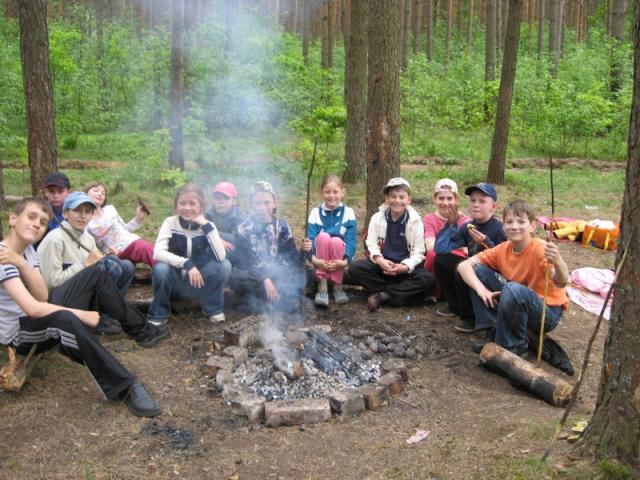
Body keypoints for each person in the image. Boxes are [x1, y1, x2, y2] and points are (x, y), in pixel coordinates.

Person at [0, 198, 162, 416]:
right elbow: (33, 308)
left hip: (35, 314)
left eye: (43, 221)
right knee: (65, 320)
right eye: (31, 217)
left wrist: (21, 263)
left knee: (94, 274)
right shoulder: (2, 256)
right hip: (18, 335)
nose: (37, 224)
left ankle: (142, 330)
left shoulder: (26, 253)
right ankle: (124, 386)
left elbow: (42, 295)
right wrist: (81, 314)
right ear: (12, 219)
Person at [37, 191, 166, 340]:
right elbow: (51, 283)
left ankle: (131, 326)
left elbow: (93, 264)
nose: (83, 216)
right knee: (101, 275)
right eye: (77, 210)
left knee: (124, 266)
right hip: (56, 304)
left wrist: (106, 256)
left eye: (87, 212)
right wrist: (84, 264)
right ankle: (140, 329)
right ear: (65, 213)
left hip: (80, 294)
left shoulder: (86, 238)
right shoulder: (55, 239)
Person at [457, 200, 569, 357]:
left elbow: (562, 281)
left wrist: (558, 261)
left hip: (546, 312)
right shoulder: (503, 249)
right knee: (479, 271)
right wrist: (481, 290)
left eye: (521, 221)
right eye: (509, 222)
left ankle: (513, 345)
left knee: (513, 288)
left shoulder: (541, 249)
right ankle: (493, 327)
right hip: (518, 297)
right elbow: (464, 266)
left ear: (532, 226)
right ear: (503, 226)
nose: (514, 226)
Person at [148, 183, 230, 325]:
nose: (187, 208)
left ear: (201, 207)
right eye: (182, 203)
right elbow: (158, 253)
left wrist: (206, 227)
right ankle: (159, 314)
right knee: (161, 268)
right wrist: (186, 264)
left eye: (192, 204)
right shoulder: (170, 223)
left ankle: (213, 309)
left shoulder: (208, 226)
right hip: (175, 281)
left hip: (199, 282)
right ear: (176, 206)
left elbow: (221, 257)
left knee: (224, 266)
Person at [349, 178, 433, 311]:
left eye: (401, 197)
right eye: (393, 196)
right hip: (382, 267)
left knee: (427, 278)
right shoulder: (377, 218)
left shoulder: (415, 221)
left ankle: (383, 295)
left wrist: (405, 266)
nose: (397, 200)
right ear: (386, 199)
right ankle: (403, 294)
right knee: (355, 267)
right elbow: (371, 243)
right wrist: (379, 260)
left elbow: (419, 251)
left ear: (408, 200)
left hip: (404, 270)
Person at [433, 182, 507, 332]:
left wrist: (486, 242)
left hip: (494, 278)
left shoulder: (499, 228)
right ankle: (456, 306)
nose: (476, 205)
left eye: (482, 201)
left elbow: (505, 261)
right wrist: (451, 224)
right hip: (474, 269)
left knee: (467, 268)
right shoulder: (469, 226)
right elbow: (440, 249)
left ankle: (471, 317)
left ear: (493, 206)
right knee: (441, 261)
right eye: (473, 201)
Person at [234, 181, 303, 314]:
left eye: (266, 202)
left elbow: (292, 258)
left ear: (274, 203)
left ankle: (266, 299)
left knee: (306, 273)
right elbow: (243, 260)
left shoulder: (281, 226)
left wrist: (305, 252)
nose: (262, 207)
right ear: (251, 204)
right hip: (253, 274)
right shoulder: (243, 227)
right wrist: (264, 278)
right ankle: (271, 301)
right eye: (257, 203)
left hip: (275, 272)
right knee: (237, 278)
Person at [302, 175, 357, 307]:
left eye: (335, 192)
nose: (331, 196)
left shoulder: (348, 212)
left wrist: (344, 262)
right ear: (321, 193)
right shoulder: (315, 213)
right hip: (320, 257)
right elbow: (310, 238)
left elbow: (350, 240)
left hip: (339, 256)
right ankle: (322, 286)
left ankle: (338, 286)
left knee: (337, 241)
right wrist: (314, 260)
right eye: (327, 192)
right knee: (323, 237)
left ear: (342, 192)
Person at [84, 181, 156, 267]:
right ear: (85, 194)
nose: (100, 194)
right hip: (114, 254)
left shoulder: (110, 210)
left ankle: (168, 273)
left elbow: (125, 228)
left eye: (103, 193)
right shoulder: (84, 220)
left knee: (151, 251)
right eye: (96, 191)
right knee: (128, 267)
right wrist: (104, 254)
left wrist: (138, 218)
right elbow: (89, 247)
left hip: (130, 243)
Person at [422, 178, 470, 302]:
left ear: (456, 200)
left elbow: (467, 249)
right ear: (435, 199)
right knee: (433, 255)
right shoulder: (429, 219)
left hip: (455, 261)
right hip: (438, 257)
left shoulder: (464, 220)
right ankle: (435, 290)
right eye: (441, 198)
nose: (445, 202)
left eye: (449, 198)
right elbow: (430, 246)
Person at [204, 181, 248, 268]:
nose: (221, 201)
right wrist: (218, 240)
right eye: (218, 198)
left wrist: (214, 236)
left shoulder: (240, 214)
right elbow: (198, 233)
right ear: (213, 200)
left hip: (233, 255)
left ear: (234, 201)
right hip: (211, 253)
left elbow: (239, 239)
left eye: (226, 198)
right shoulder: (206, 213)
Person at [35, 172, 71, 249]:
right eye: (51, 191)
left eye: (60, 191)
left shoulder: (74, 211)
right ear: (45, 192)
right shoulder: (39, 211)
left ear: (68, 192)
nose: (56, 196)